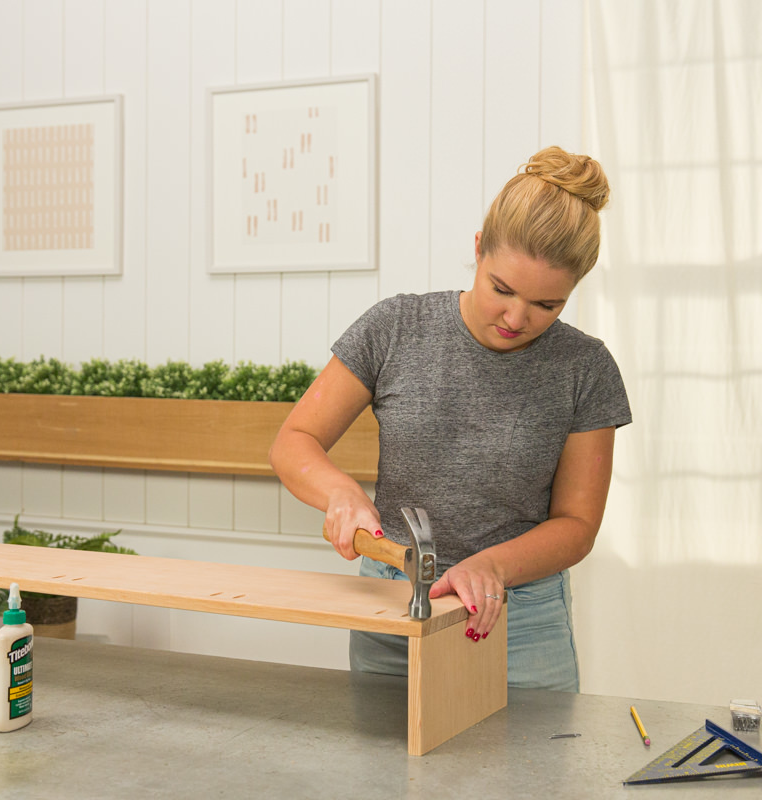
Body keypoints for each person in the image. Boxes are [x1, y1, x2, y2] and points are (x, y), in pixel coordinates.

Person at [269, 146, 631, 691]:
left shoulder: (585, 368)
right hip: (394, 601)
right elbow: (294, 441)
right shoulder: (396, 328)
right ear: (480, 248)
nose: (516, 318)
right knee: (379, 772)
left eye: (546, 305)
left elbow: (577, 526)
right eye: (501, 290)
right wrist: (339, 493)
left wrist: (493, 567)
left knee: (532, 774)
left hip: (521, 617)